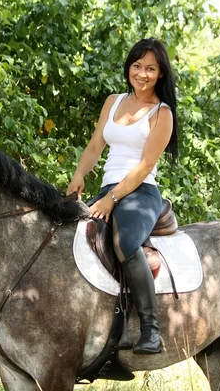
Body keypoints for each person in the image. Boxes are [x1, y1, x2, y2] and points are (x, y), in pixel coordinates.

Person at [67, 37, 178, 354]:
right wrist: (78, 175)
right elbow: (94, 147)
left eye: (150, 69)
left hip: (140, 193)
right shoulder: (113, 102)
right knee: (72, 237)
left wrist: (112, 199)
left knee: (124, 242)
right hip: (107, 189)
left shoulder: (162, 113)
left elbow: (144, 167)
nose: (142, 74)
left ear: (160, 74)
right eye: (137, 66)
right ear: (129, 67)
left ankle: (150, 330)